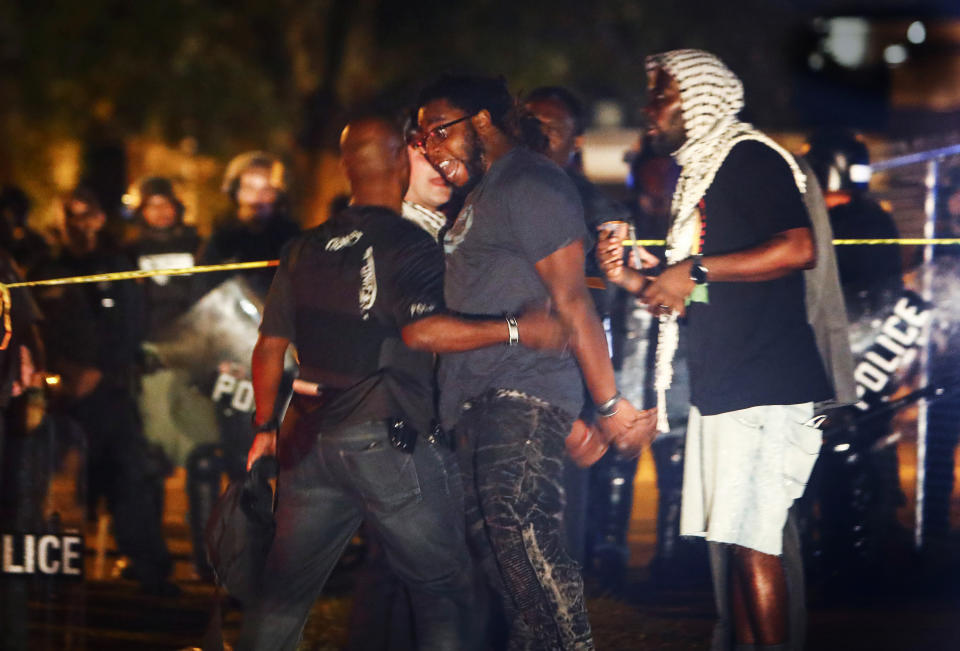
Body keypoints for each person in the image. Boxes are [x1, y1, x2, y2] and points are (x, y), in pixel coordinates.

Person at [239, 114, 570, 651]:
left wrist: (263, 429)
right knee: (445, 589)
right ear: (399, 161)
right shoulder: (408, 244)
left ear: (347, 167)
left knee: (281, 596)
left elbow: (269, 347)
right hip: (385, 442)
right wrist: (517, 329)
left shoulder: (301, 247)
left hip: (308, 445)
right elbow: (422, 332)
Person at [414, 74, 657, 650]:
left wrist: (606, 406)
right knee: (509, 570)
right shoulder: (483, 193)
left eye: (438, 132)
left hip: (520, 396)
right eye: (421, 137)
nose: (429, 147)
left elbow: (573, 301)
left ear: (480, 122)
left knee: (523, 536)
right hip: (476, 401)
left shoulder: (530, 182)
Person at [598, 50, 832, 650]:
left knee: (754, 545)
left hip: (765, 387)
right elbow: (710, 293)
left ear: (699, 99)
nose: (650, 110)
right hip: (728, 387)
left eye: (661, 95)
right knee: (733, 543)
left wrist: (693, 267)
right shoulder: (703, 171)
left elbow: (796, 249)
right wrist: (638, 279)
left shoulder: (747, 156)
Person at [32, 187, 176, 595]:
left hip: (109, 392)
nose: (78, 224)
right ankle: (45, 573)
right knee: (50, 486)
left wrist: (101, 372)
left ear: (99, 219)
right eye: (69, 215)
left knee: (128, 479)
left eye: (85, 214)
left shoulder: (116, 265)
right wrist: (57, 373)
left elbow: (131, 327)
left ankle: (150, 570)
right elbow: (35, 328)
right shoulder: (44, 268)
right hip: (57, 395)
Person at [344, 134, 454, 651]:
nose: (438, 165)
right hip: (391, 420)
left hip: (430, 420)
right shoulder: (388, 236)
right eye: (420, 152)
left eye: (444, 151)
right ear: (396, 162)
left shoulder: (448, 231)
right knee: (394, 565)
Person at [523, 86, 639, 576]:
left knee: (564, 494)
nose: (539, 132)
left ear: (578, 138)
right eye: (530, 121)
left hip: (568, 369)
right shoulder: (497, 190)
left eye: (552, 124)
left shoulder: (596, 206)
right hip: (502, 359)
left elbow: (601, 299)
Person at [199, 151, 300, 298]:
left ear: (279, 195)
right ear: (235, 191)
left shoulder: (293, 243)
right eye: (249, 188)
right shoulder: (219, 243)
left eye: (267, 190)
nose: (256, 199)